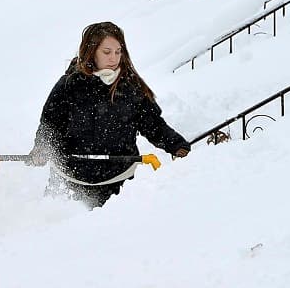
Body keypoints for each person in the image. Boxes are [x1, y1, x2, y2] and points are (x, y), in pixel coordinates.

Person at [28, 21, 191, 208]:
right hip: (68, 183)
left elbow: (153, 125)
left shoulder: (131, 88)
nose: (114, 58)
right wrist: (42, 148)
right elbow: (50, 125)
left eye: (118, 51)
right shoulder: (68, 85)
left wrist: (178, 146)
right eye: (107, 52)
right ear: (91, 52)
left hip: (119, 187)